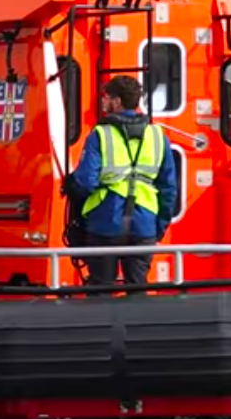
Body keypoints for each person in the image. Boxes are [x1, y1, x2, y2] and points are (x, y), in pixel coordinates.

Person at [67, 76, 177, 287]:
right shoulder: (158, 136)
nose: (103, 102)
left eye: (106, 98)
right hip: (145, 224)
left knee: (100, 291)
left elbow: (86, 182)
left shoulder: (99, 134)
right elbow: (169, 188)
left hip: (105, 221)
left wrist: (71, 188)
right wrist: (159, 226)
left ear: (117, 102)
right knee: (137, 289)